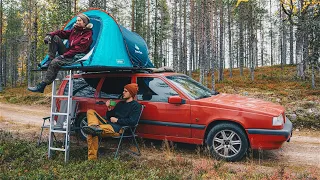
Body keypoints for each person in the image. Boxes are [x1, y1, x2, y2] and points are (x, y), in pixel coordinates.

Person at [28, 13, 93, 93]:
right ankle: (50, 60)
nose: (77, 22)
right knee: (54, 37)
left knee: (55, 62)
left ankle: (42, 86)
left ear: (84, 23)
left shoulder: (87, 35)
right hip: (69, 53)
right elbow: (61, 33)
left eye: (79, 20)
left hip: (77, 56)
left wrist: (62, 56)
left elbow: (77, 50)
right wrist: (49, 35)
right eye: (77, 20)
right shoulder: (74, 31)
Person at [82, 83, 142, 160]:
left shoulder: (136, 106)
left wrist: (117, 120)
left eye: (125, 91)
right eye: (123, 91)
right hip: (109, 124)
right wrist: (109, 109)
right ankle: (94, 127)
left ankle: (92, 159)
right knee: (90, 111)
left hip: (118, 128)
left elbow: (133, 121)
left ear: (131, 93)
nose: (123, 92)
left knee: (91, 132)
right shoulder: (120, 103)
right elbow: (109, 117)